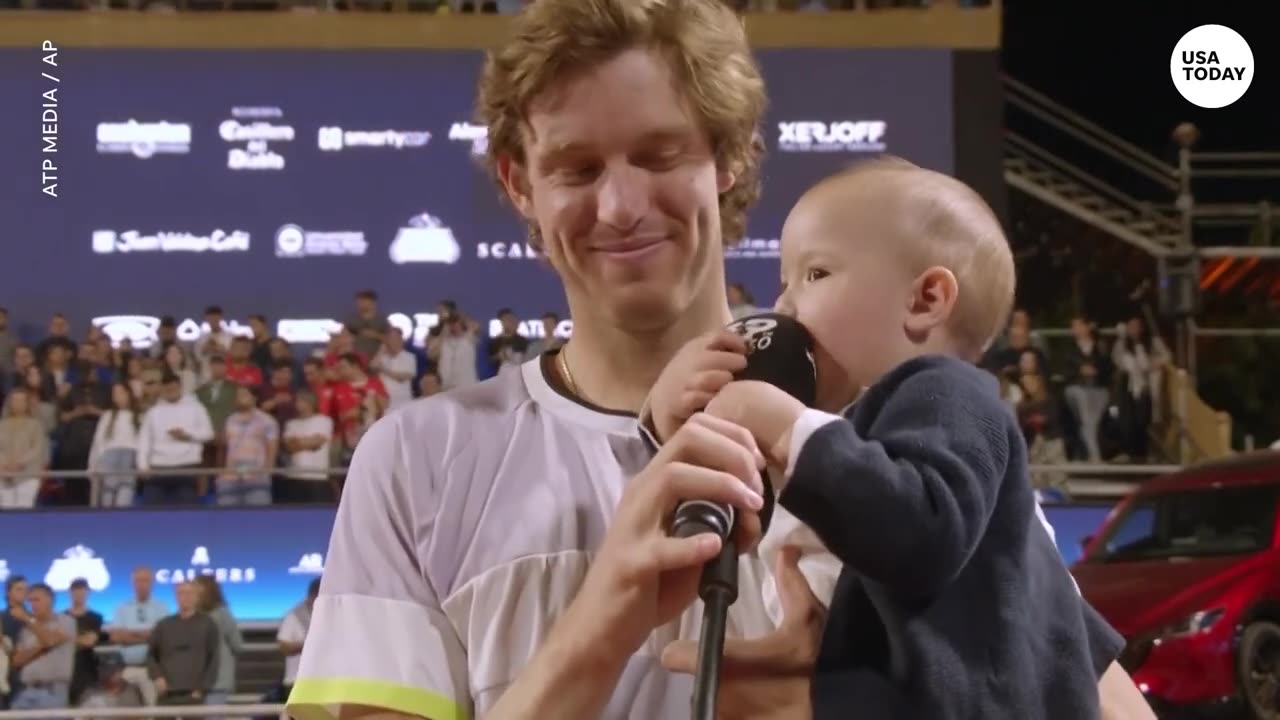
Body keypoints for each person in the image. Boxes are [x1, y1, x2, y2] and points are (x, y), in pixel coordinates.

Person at [287, 2, 1152, 719]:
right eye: (577, 168)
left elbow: (1080, 693)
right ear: (520, 183)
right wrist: (602, 623)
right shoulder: (419, 463)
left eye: (660, 155)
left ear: (730, 159)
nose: (622, 206)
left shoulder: (896, 429)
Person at [647, 158, 1123, 718]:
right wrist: (679, 426)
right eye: (784, 281)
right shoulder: (876, 425)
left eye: (815, 274)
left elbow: (923, 531)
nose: (784, 307)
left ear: (925, 300)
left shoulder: (951, 394)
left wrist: (785, 427)